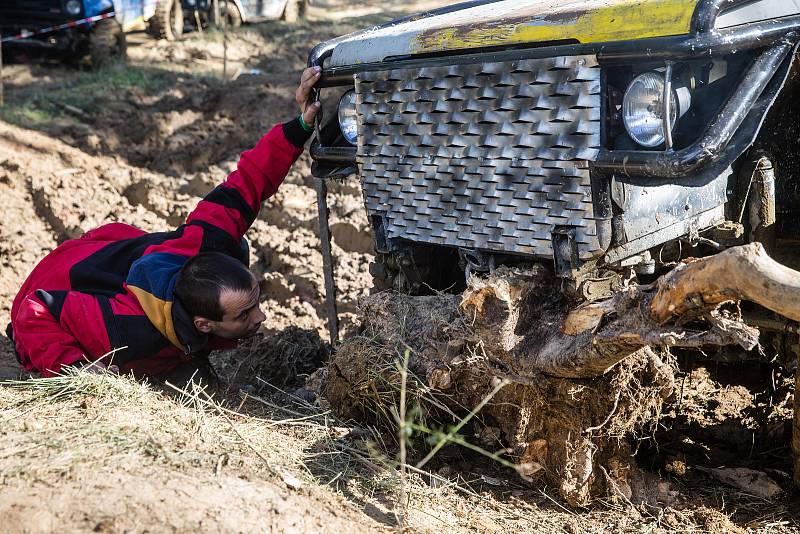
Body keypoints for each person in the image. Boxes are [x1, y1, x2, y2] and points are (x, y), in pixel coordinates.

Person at [6, 67, 323, 386]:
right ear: (203, 324)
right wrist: (74, 369)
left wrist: (299, 127)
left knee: (196, 369)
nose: (261, 318)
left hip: (106, 253)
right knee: (146, 366)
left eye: (254, 305)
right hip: (53, 288)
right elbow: (35, 311)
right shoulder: (125, 330)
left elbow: (248, 182)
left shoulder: (208, 241)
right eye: (244, 314)